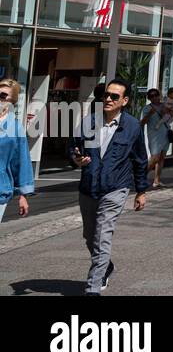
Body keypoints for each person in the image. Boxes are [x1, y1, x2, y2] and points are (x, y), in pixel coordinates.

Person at [70, 79, 149, 295]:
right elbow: (73, 148)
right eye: (106, 95)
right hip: (88, 187)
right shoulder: (89, 122)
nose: (108, 99)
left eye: (115, 96)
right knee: (89, 236)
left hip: (116, 187)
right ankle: (106, 266)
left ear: (124, 101)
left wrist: (141, 191)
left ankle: (92, 288)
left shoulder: (133, 126)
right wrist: (76, 159)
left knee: (102, 235)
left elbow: (140, 160)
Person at [0, 79, 34, 222]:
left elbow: (22, 161)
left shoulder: (15, 129)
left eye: (3, 95)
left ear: (11, 101)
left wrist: (23, 195)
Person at [141, 88, 171, 189]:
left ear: (159, 95)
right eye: (151, 96)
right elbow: (142, 123)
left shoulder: (164, 106)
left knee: (162, 157)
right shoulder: (146, 108)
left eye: (156, 95)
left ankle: (157, 180)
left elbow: (171, 117)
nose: (154, 97)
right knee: (154, 158)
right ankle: (141, 176)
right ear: (149, 98)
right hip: (154, 136)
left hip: (165, 134)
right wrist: (150, 113)